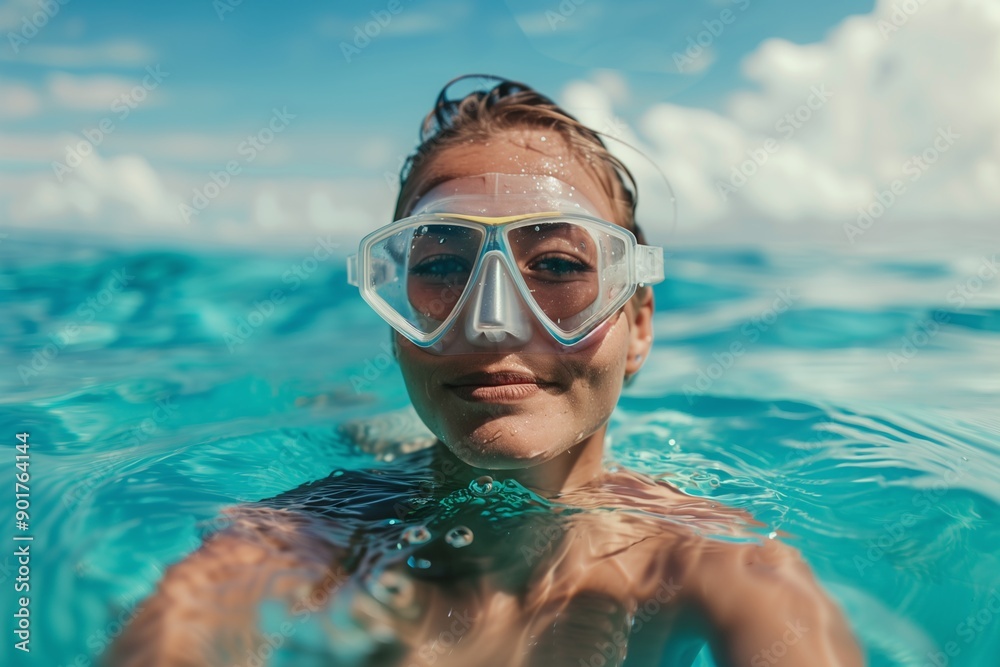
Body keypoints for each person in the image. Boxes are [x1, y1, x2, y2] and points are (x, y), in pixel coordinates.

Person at [108, 75, 862, 667]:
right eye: (441, 266)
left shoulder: (710, 558)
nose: (493, 319)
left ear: (637, 326)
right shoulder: (297, 536)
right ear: (397, 324)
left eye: (561, 265)